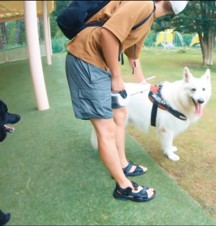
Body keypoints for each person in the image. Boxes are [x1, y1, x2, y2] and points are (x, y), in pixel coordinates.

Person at [65, 1, 188, 202]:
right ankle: (123, 186)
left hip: (99, 64)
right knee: (106, 129)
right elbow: (108, 34)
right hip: (86, 59)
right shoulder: (143, 4)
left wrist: (145, 87)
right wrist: (116, 76)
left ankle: (122, 163)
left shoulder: (149, 18)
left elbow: (133, 57)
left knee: (120, 113)